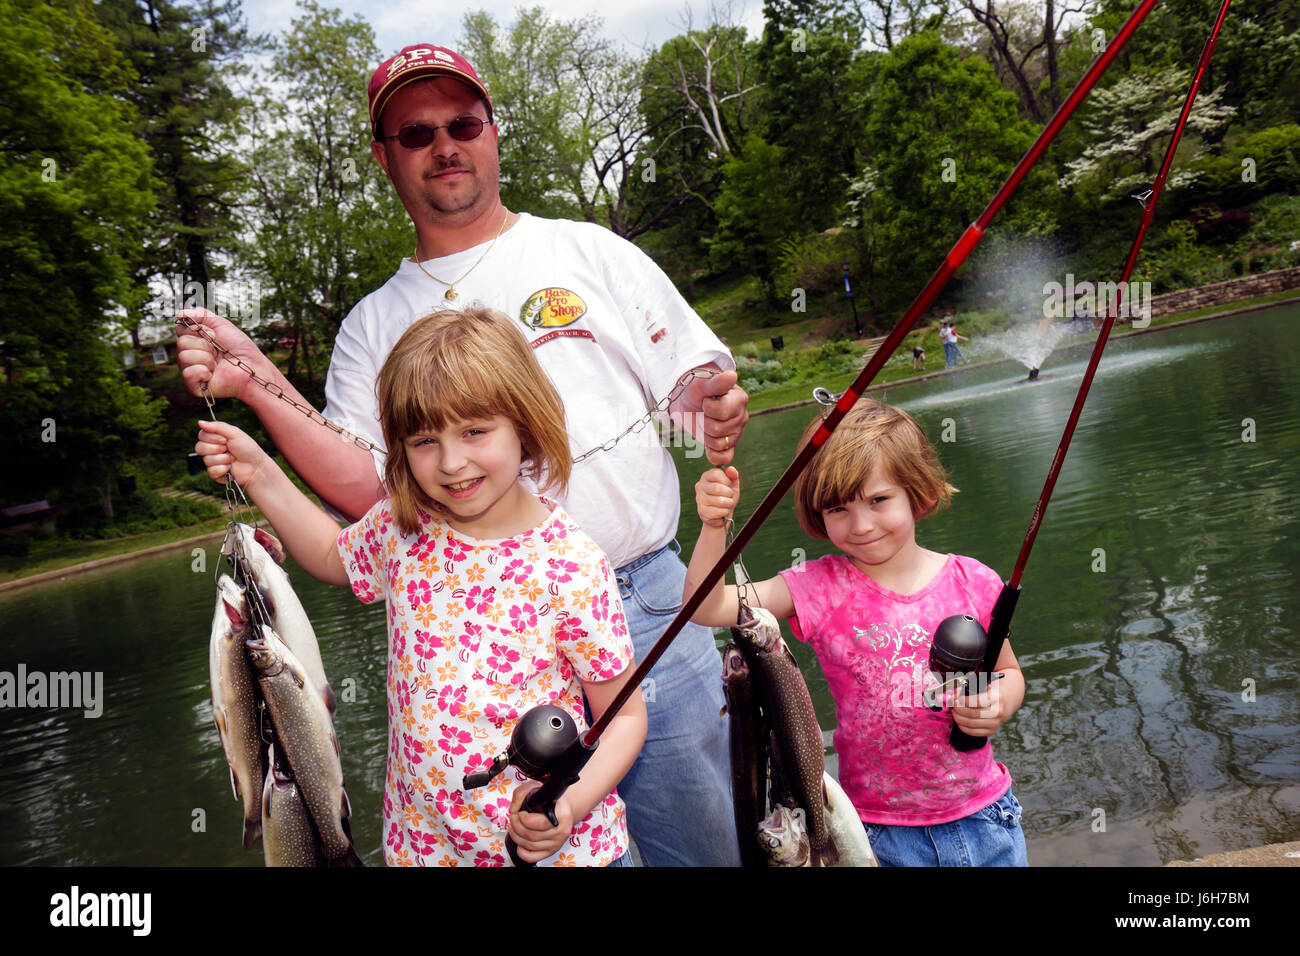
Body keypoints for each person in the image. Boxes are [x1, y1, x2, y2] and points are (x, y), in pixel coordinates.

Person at [175, 43, 745, 866]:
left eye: (462, 123)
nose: (444, 144)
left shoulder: (589, 249)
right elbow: (363, 490)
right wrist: (256, 383)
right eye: (415, 133)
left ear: (493, 132)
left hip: (643, 598)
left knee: (701, 849)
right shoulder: (373, 324)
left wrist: (706, 402)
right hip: (460, 651)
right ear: (384, 156)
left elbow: (693, 378)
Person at [195, 308, 648, 867]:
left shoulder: (572, 565)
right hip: (426, 849)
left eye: (475, 431)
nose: (452, 462)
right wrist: (258, 471)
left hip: (562, 856)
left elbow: (625, 717)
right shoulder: (404, 527)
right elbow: (332, 556)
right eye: (425, 440)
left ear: (525, 424)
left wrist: (570, 804)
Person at [683, 399, 1028, 867]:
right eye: (838, 509)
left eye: (879, 500)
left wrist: (996, 701)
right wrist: (713, 527)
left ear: (917, 492)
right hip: (877, 835)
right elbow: (708, 606)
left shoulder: (974, 582)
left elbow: (1008, 673)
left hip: (985, 817)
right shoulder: (820, 586)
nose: (861, 525)